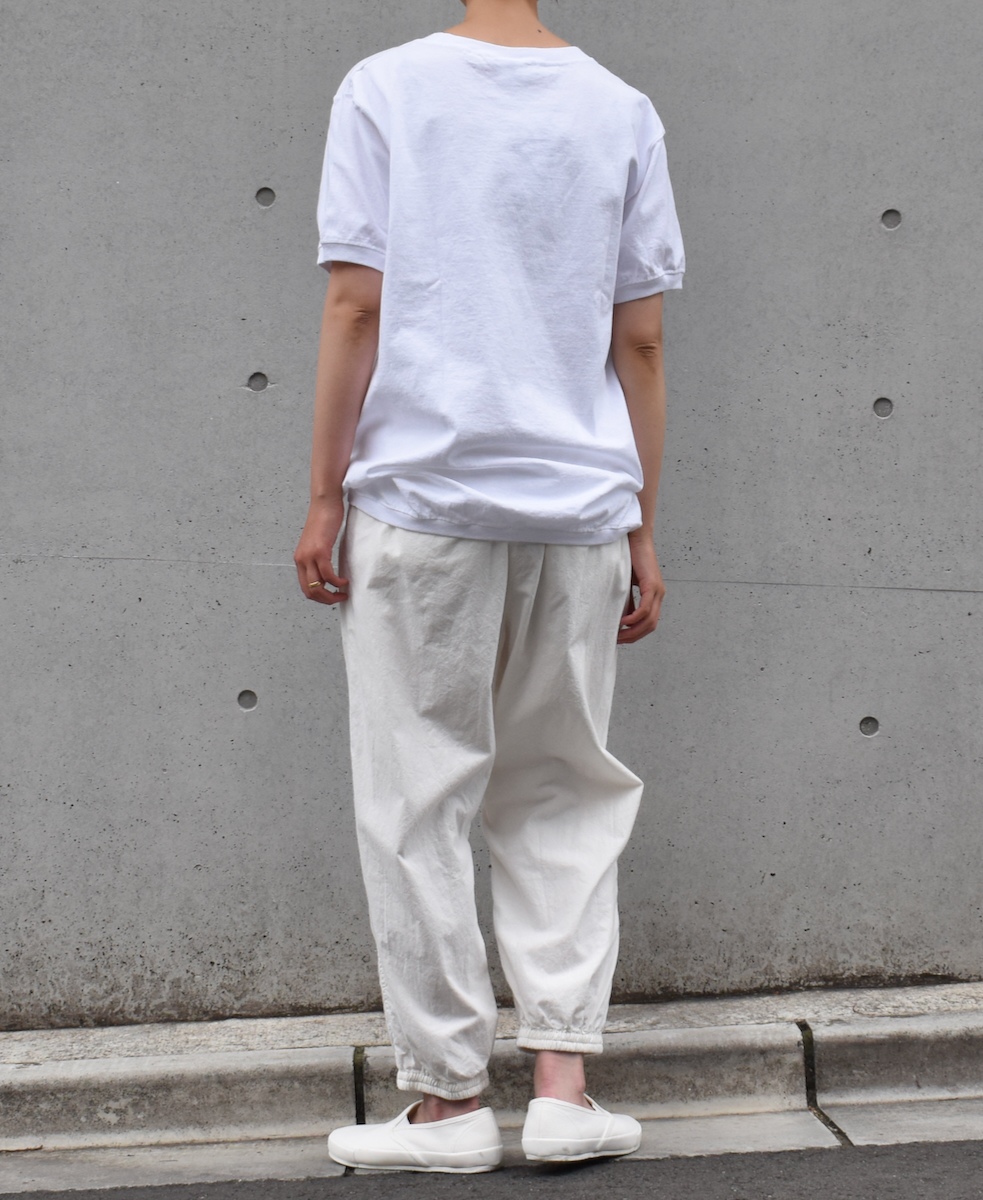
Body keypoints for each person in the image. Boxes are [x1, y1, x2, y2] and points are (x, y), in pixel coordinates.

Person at [294, 0, 684, 1174]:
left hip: (423, 504)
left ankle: (448, 1103)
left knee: (418, 801)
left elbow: (356, 303)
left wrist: (323, 497)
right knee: (562, 789)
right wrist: (640, 523)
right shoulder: (618, 108)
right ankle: (562, 1089)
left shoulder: (384, 88)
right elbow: (639, 342)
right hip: (577, 514)